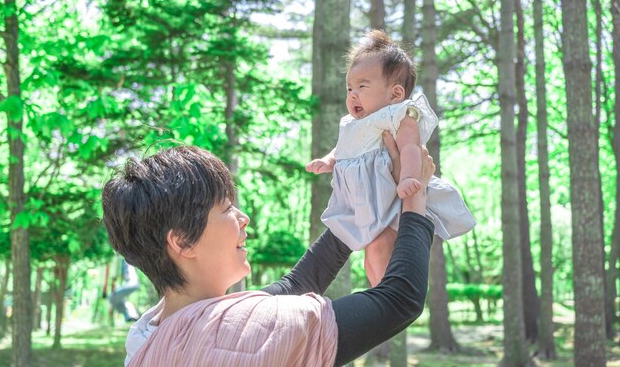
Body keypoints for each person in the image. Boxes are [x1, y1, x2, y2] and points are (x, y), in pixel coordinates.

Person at [102, 143, 435, 367]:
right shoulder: (239, 330)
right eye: (227, 208)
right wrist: (416, 199)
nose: (243, 217)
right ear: (183, 243)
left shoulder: (148, 337)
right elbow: (399, 301)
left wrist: (357, 211)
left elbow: (295, 285)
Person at [306, 30, 476, 286]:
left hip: (389, 196)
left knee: (382, 247)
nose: (352, 94)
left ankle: (390, 294)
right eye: (349, 88)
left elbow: (411, 148)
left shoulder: (398, 114)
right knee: (371, 256)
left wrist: (407, 177)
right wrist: (329, 161)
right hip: (364, 203)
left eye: (362, 86)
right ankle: (380, 296)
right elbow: (344, 148)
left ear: (395, 94)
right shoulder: (351, 123)